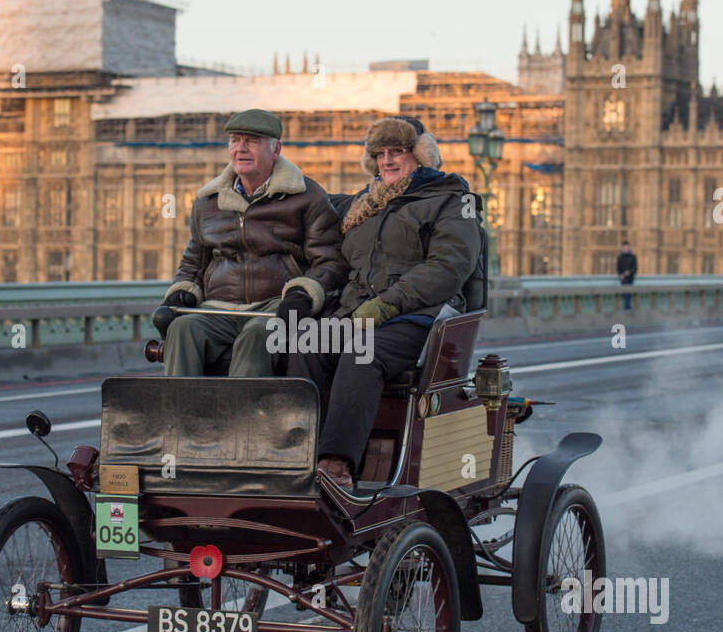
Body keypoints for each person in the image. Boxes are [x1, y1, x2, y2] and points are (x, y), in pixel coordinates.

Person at [289, 116, 480, 490]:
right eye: (380, 154)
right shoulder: (363, 207)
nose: (388, 160)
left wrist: (387, 304)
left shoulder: (453, 200)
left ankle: (336, 464)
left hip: (416, 318)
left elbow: (449, 266)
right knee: (304, 345)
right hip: (356, 313)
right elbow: (336, 261)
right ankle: (298, 455)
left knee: (362, 353)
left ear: (421, 154)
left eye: (398, 151)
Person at [156, 109, 346, 376]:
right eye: (235, 140)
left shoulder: (309, 197)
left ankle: (240, 416)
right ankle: (178, 413)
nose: (241, 149)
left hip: (273, 306)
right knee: (181, 329)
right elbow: (193, 263)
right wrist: (181, 291)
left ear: (276, 149)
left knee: (258, 334)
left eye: (252, 141)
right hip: (218, 307)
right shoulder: (207, 203)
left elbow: (330, 260)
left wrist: (303, 291)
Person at [616, 241, 638, 311]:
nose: (626, 249)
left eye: (627, 247)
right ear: (623, 248)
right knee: (625, 295)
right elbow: (618, 268)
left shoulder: (633, 257)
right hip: (623, 279)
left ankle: (627, 310)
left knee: (628, 295)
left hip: (630, 279)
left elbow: (635, 268)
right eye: (625, 247)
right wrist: (620, 275)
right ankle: (627, 309)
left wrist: (629, 272)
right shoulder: (620, 257)